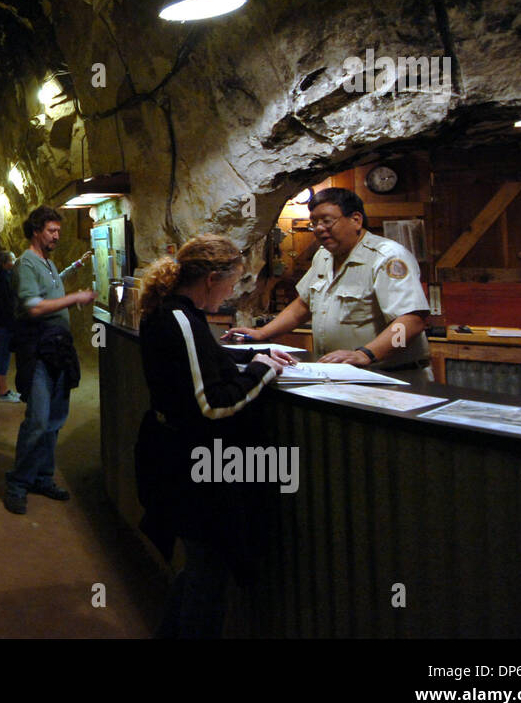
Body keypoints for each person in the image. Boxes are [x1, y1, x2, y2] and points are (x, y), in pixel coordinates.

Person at [134, 235, 295, 638]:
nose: (230, 294)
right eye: (231, 283)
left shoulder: (172, 312)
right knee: (208, 574)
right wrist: (261, 371)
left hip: (177, 456)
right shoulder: (181, 320)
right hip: (191, 466)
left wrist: (243, 361)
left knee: (201, 569)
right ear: (210, 279)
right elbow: (210, 406)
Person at [226, 187, 432, 386]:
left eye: (327, 221)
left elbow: (411, 321)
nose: (319, 229)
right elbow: (303, 306)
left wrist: (366, 354)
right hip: (342, 377)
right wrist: (262, 333)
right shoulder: (324, 256)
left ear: (356, 220)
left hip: (390, 377)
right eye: (314, 223)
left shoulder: (387, 257)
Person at [3, 206, 93, 515]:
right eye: (52, 231)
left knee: (54, 420)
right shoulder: (26, 263)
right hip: (38, 351)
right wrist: (74, 298)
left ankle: (42, 476)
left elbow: (49, 295)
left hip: (58, 350)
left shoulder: (48, 263)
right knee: (39, 419)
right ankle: (18, 482)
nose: (56, 236)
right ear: (36, 230)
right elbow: (33, 307)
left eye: (58, 231)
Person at [0, 250, 21, 402]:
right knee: (4, 355)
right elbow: (8, 304)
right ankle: (3, 391)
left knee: (5, 354)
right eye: (13, 260)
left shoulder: (3, 277)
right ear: (5, 263)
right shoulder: (3, 280)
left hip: (3, 322)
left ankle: (5, 389)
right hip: (5, 323)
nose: (15, 262)